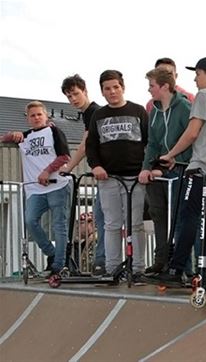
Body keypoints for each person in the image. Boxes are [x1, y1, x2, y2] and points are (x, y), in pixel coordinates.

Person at [151, 56, 206, 287]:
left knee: (187, 218)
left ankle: (176, 269)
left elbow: (193, 132)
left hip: (200, 166)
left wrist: (171, 154)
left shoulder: (205, 95)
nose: (195, 78)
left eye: (198, 73)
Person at [86, 70, 148, 283]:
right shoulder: (98, 115)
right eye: (107, 88)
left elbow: (149, 142)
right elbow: (91, 146)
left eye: (115, 87)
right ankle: (113, 268)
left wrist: (146, 168)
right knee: (112, 224)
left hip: (135, 178)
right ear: (102, 91)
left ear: (123, 87)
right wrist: (96, 166)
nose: (112, 92)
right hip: (109, 178)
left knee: (135, 224)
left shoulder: (138, 111)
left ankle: (138, 267)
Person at [1, 101, 71, 276]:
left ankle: (59, 265)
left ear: (46, 116)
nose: (36, 118)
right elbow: (2, 139)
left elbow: (64, 156)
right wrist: (12, 135)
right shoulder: (25, 137)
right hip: (35, 190)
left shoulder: (54, 131)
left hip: (57, 186)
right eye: (32, 115)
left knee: (59, 226)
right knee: (30, 221)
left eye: (39, 114)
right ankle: (53, 254)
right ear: (28, 119)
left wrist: (47, 171)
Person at [138, 67, 192, 275]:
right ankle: (161, 260)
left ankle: (183, 267)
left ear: (165, 86)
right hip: (159, 170)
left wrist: (177, 160)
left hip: (180, 169)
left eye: (152, 85)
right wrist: (146, 168)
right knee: (158, 215)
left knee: (179, 219)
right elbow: (152, 143)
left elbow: (192, 137)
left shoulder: (185, 107)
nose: (149, 90)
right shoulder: (154, 111)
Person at [59, 74, 107, 275]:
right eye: (69, 96)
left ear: (85, 91)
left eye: (76, 94)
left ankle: (102, 261)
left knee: (102, 217)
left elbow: (86, 144)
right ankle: (102, 260)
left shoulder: (94, 111)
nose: (73, 100)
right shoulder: (88, 114)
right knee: (101, 216)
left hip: (107, 172)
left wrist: (69, 167)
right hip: (103, 172)